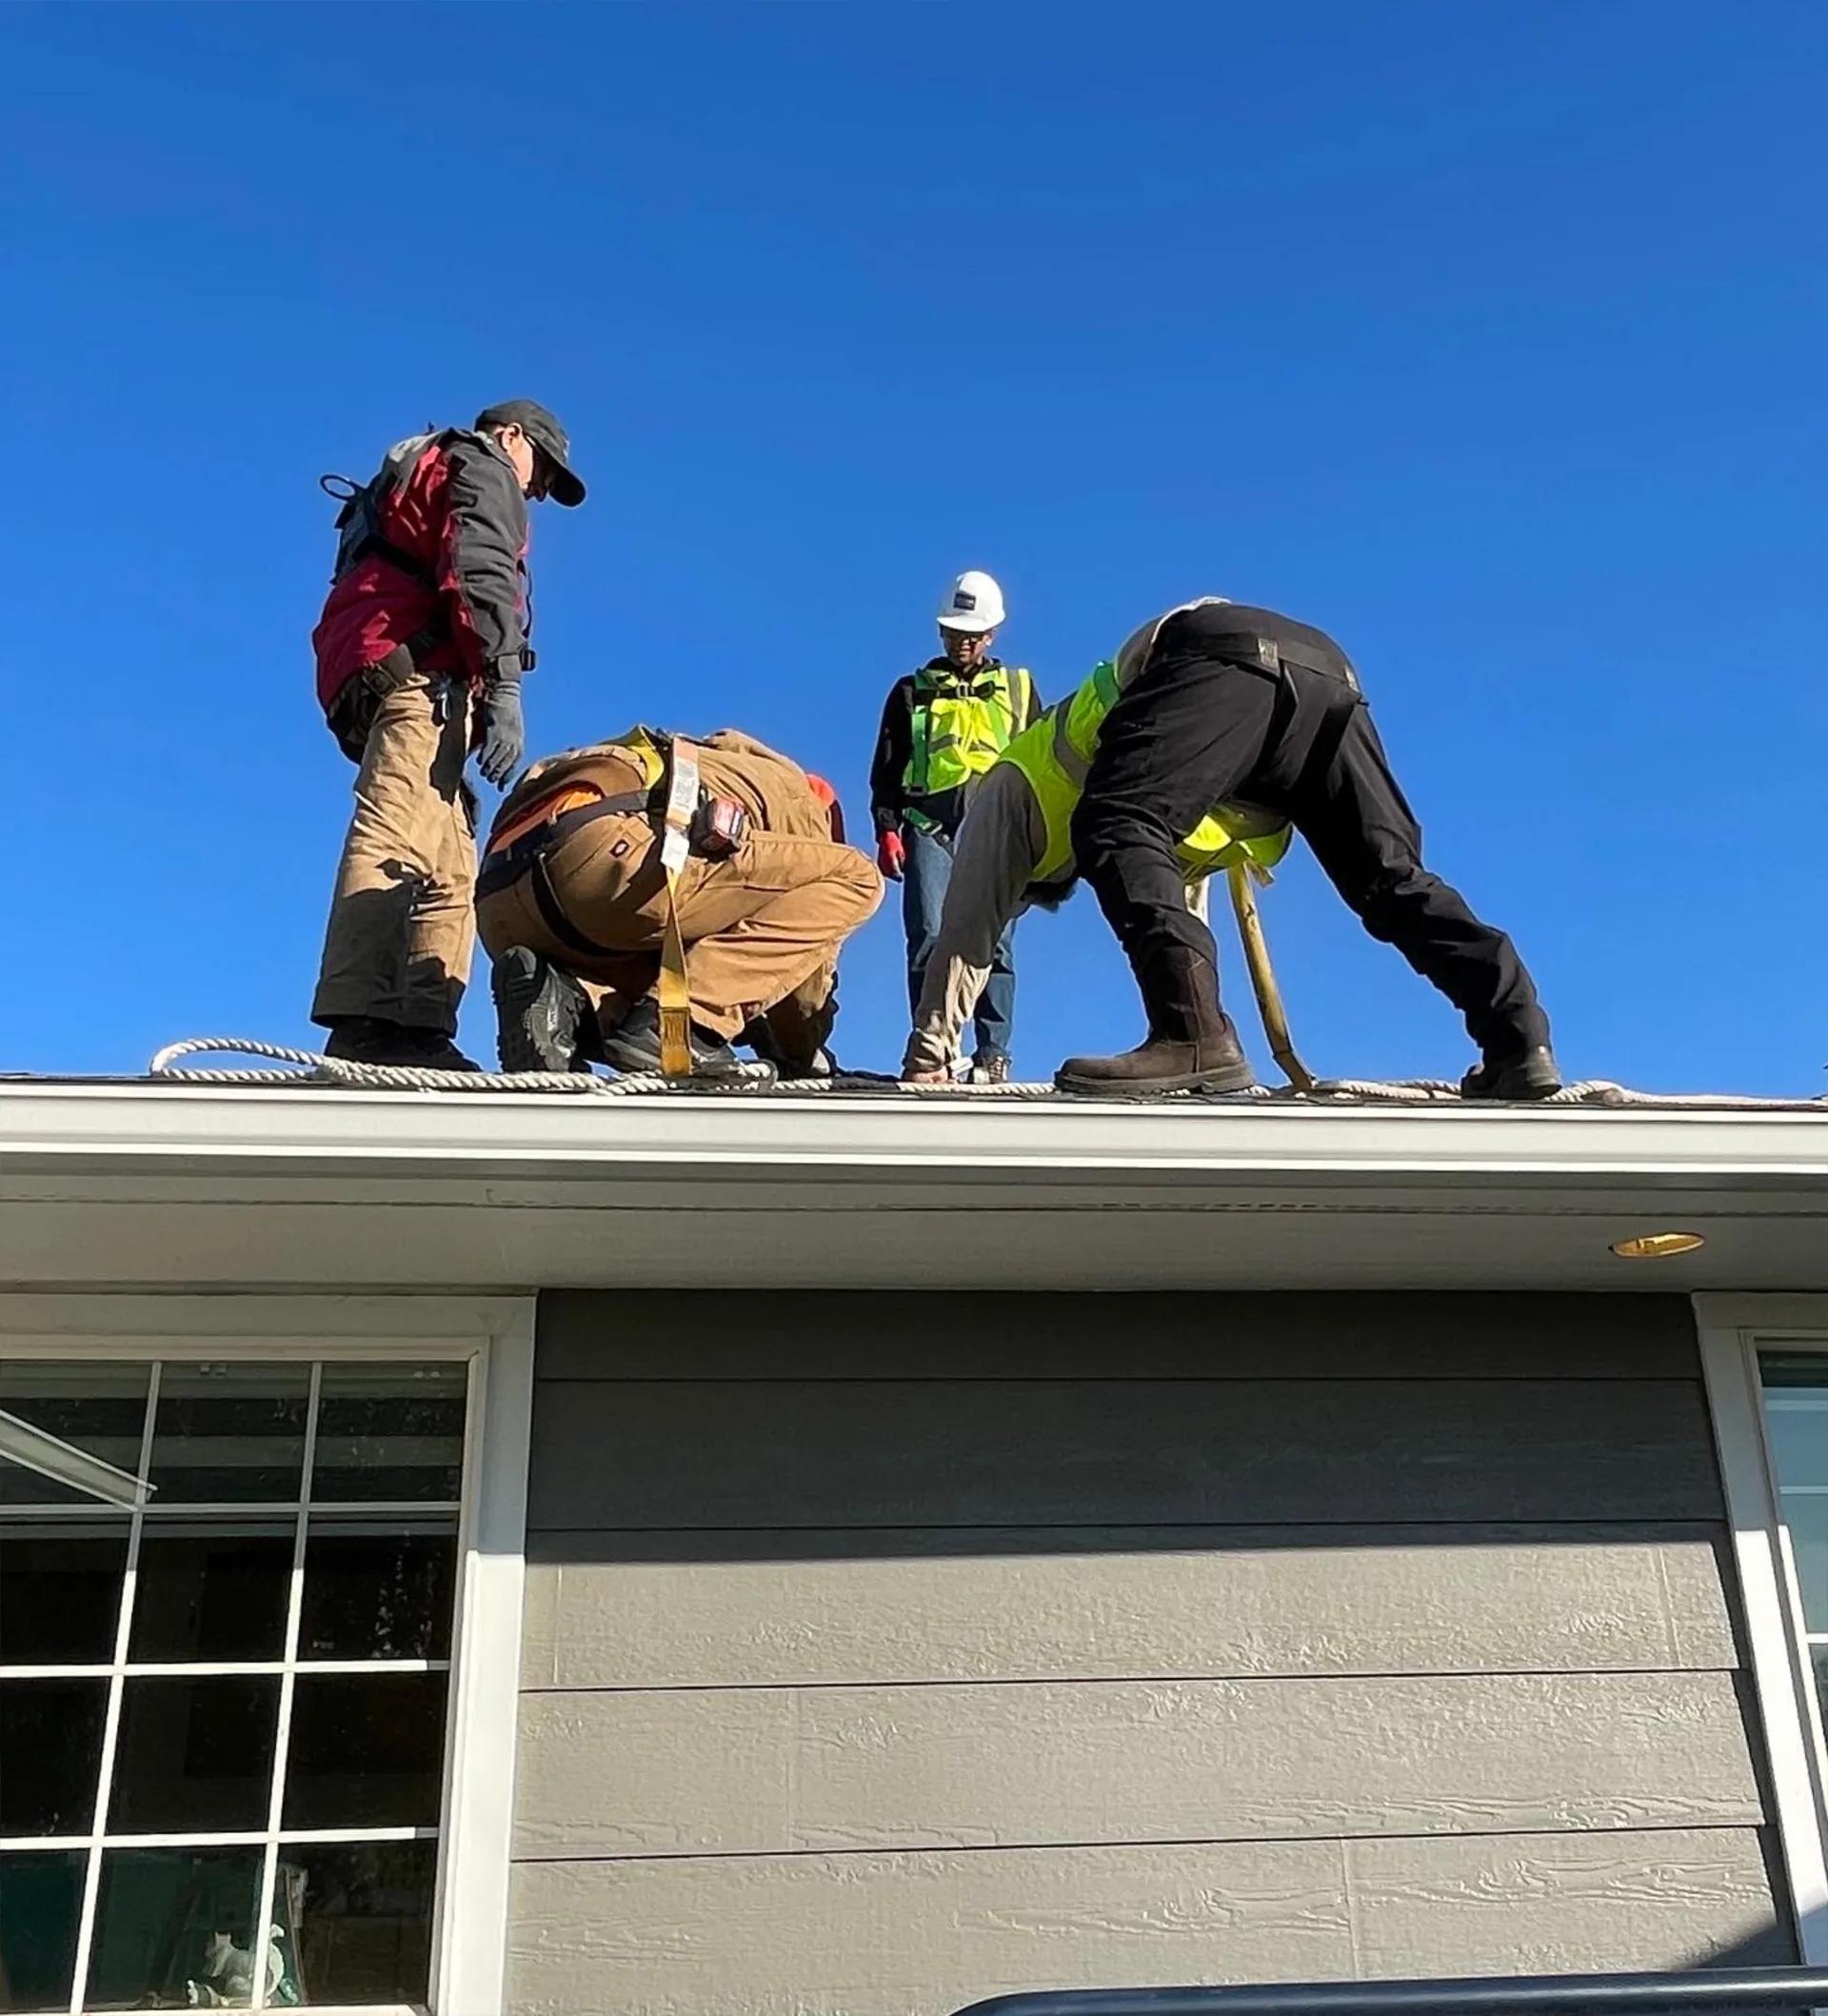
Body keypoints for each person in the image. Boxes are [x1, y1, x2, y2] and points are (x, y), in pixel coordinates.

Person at [902, 597, 1559, 1100]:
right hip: (1326, 677)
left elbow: (967, 931)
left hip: (1221, 656)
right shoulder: (1164, 779)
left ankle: (1192, 1036)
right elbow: (1178, 901)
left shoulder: (1002, 790)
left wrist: (930, 1057)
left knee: (1111, 820)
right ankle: (1517, 1041)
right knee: (1389, 881)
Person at [308, 400, 586, 1069]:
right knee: (398, 832)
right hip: (415, 672)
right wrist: (507, 683)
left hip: (387, 669)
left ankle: (418, 1024)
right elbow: (480, 568)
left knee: (451, 860)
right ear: (511, 436)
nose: (537, 489)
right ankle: (361, 1021)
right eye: (541, 468)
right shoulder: (483, 465)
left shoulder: (431, 468)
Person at [477, 727, 882, 1077]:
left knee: (678, 954)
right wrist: (802, 1054)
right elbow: (800, 988)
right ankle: (680, 1028)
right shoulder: (800, 799)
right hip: (600, 864)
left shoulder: (695, 760)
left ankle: (567, 1005)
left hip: (502, 903)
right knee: (856, 877)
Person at [869, 571, 1041, 1083]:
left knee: (996, 943)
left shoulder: (1018, 689)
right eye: (953, 632)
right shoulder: (911, 691)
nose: (962, 642)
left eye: (972, 634)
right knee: (928, 934)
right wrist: (887, 828)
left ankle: (993, 1053)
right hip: (928, 825)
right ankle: (933, 1050)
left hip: (997, 830)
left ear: (991, 635)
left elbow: (1039, 766)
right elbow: (888, 765)